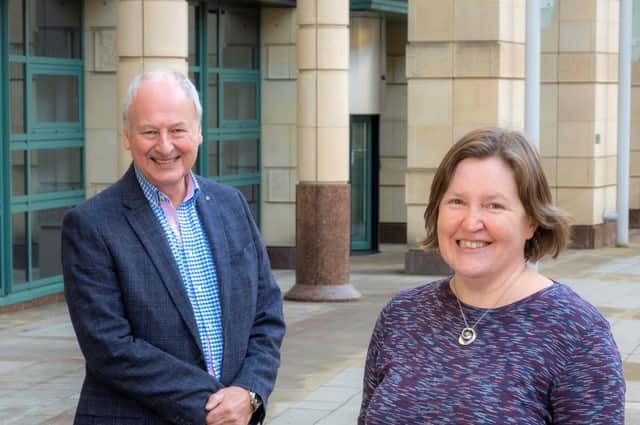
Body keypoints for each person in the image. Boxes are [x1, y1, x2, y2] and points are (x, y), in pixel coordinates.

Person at [62, 69, 285, 425]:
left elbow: (267, 314)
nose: (164, 146)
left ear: (198, 132)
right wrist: (216, 408)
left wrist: (249, 391)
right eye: (149, 131)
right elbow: (110, 346)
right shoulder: (91, 224)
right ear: (127, 137)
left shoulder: (232, 205)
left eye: (177, 130)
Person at [358, 128, 625, 424]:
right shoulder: (401, 315)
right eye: (457, 201)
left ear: (532, 222)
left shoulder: (577, 333)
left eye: (494, 205)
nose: (471, 222)